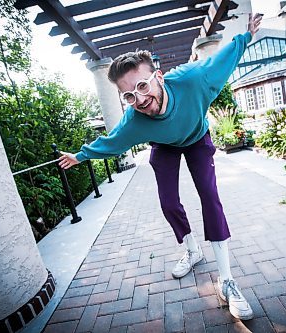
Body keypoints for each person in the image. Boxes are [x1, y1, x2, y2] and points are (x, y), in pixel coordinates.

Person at [59, 13, 262, 320]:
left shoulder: (195, 81)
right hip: (165, 146)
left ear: (159, 76)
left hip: (196, 136)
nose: (139, 99)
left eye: (142, 85)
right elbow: (111, 141)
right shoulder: (135, 120)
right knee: (168, 202)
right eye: (129, 95)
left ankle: (227, 281)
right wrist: (80, 156)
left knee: (209, 195)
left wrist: (245, 35)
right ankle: (192, 251)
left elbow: (225, 58)